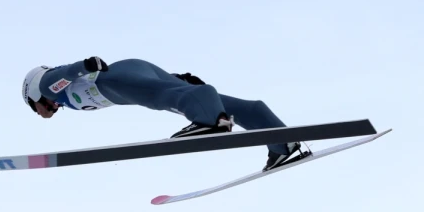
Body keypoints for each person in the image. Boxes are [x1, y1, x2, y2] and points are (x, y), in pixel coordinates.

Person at [21, 57, 311, 170]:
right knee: (221, 104)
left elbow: (66, 74)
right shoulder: (60, 95)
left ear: (33, 95)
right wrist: (178, 78)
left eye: (36, 108)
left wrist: (86, 65)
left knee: (159, 97)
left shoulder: (48, 85)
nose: (45, 112)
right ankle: (283, 143)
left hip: (112, 81)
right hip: (129, 72)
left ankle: (210, 121)